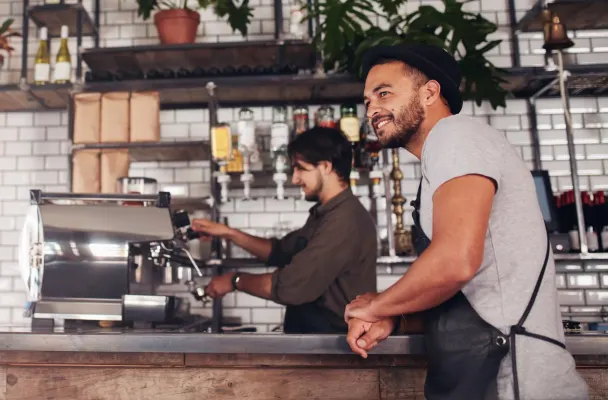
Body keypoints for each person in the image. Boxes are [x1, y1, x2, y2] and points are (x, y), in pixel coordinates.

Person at [344, 43, 589, 400]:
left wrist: (376, 305)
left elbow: (455, 262)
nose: (373, 109)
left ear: (429, 93)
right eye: (367, 101)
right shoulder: (440, 162)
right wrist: (394, 317)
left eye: (384, 93)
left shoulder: (455, 135)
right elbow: (466, 293)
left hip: (515, 381)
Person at [192, 126, 378, 334]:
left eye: (300, 168)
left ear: (325, 166)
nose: (295, 179)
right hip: (316, 342)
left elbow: (291, 287)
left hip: (335, 347)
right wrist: (228, 233)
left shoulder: (344, 221)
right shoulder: (326, 214)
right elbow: (279, 251)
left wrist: (235, 280)